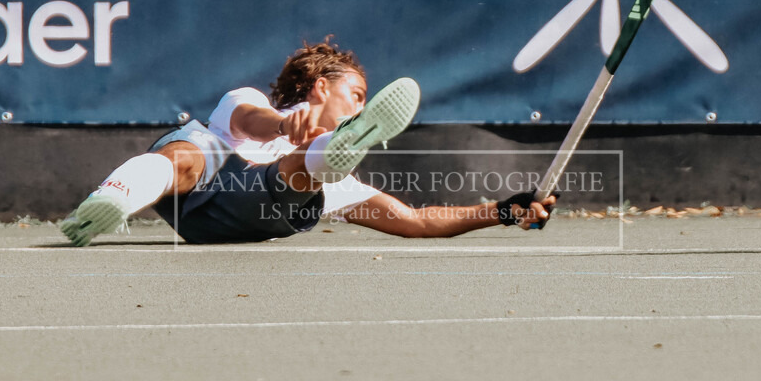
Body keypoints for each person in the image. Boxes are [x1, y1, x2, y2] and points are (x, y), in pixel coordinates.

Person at [60, 39, 555, 246]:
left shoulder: (338, 180)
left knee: (305, 172)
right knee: (196, 150)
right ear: (321, 86)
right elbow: (252, 121)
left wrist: (504, 210)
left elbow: (418, 221)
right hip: (192, 194)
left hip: (253, 211)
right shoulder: (248, 102)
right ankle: (108, 202)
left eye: (365, 106)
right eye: (355, 96)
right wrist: (281, 127)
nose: (361, 106)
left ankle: (323, 157)